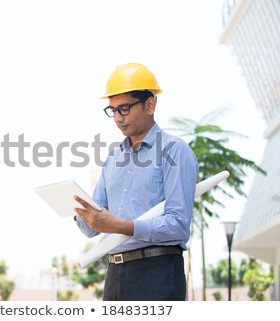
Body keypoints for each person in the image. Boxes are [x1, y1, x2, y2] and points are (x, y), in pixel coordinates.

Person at [74, 62, 198, 301]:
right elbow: (92, 228)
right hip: (115, 273)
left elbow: (179, 225)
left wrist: (121, 226)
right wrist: (83, 214)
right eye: (112, 110)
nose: (118, 118)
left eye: (125, 108)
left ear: (149, 104)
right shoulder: (113, 158)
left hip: (157, 272)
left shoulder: (174, 150)